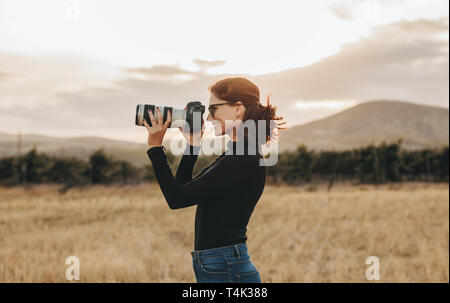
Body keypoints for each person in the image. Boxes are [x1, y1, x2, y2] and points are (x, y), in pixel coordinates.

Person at [143, 77, 286, 283]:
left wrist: (155, 147)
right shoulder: (237, 153)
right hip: (224, 265)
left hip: (226, 267)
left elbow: (176, 199)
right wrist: (192, 145)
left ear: (238, 109)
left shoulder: (243, 158)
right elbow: (183, 188)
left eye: (213, 110)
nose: (208, 119)